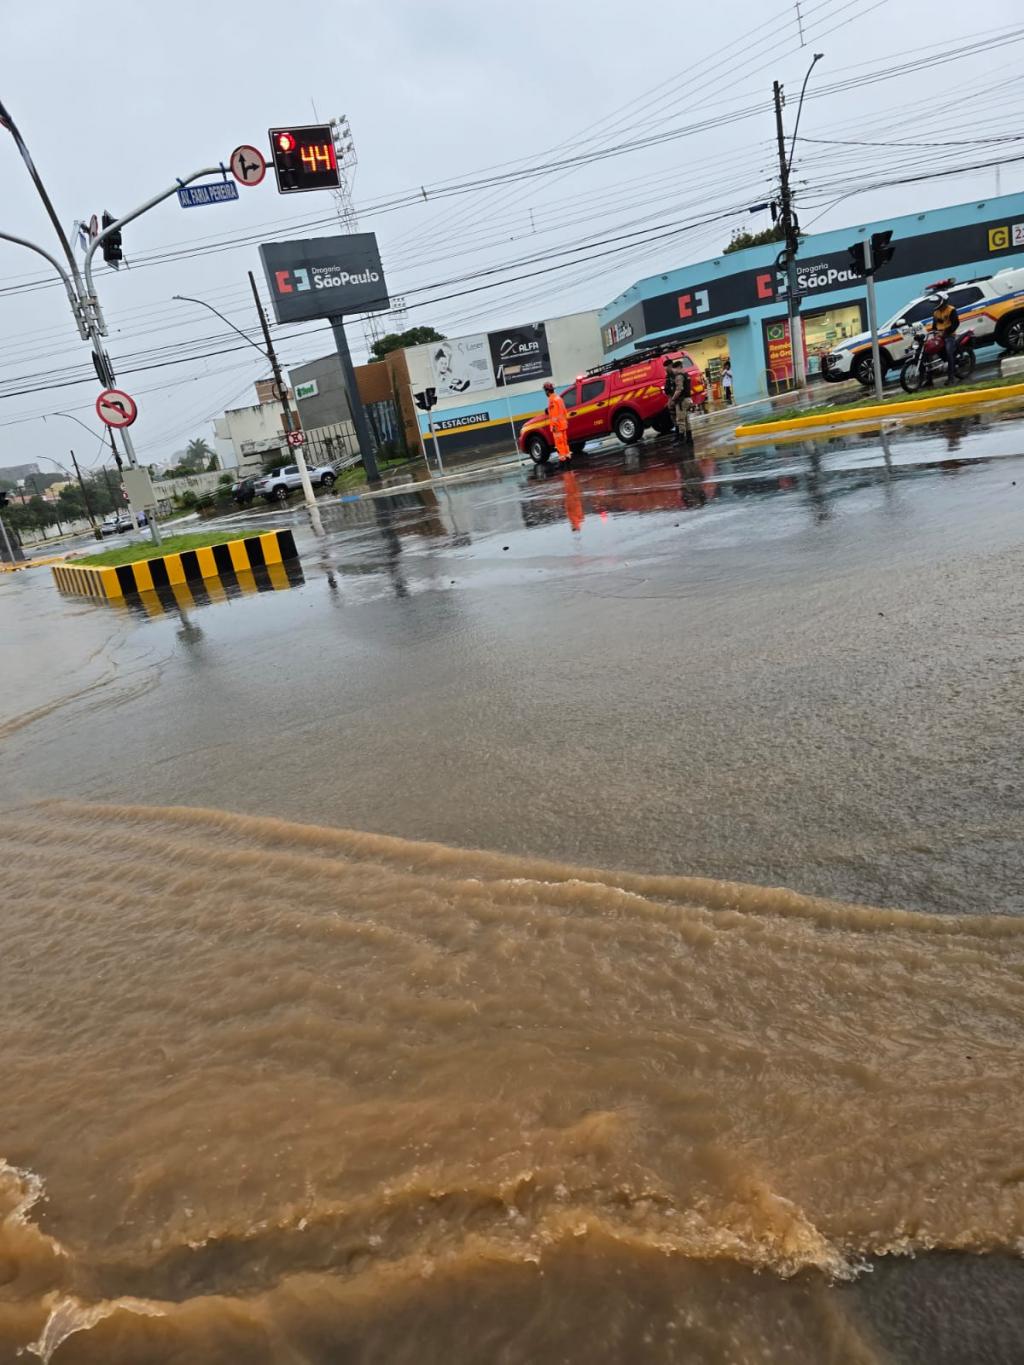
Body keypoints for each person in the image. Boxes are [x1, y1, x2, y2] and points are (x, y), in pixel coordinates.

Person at [931, 292, 960, 386]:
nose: (936, 304)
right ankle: (928, 380)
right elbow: (934, 325)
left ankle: (951, 378)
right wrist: (934, 333)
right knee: (930, 351)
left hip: (949, 335)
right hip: (939, 336)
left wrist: (946, 332)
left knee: (949, 353)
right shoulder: (936, 312)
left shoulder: (951, 310)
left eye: (937, 302)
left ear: (943, 301)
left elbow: (956, 323)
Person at [544, 380, 571, 462]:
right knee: (564, 442)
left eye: (545, 391)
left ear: (547, 391)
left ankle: (563, 460)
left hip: (557, 426)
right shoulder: (558, 398)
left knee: (559, 444)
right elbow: (563, 411)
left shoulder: (552, 400)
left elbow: (554, 415)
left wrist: (554, 426)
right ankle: (568, 457)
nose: (545, 393)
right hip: (563, 424)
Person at [670, 361, 692, 442]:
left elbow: (679, 390)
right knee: (686, 419)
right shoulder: (687, 375)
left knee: (680, 421)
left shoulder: (679, 376)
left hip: (681, 401)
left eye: (674, 369)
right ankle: (689, 438)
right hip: (688, 399)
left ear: (678, 367)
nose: (673, 371)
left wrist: (673, 399)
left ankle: (681, 439)